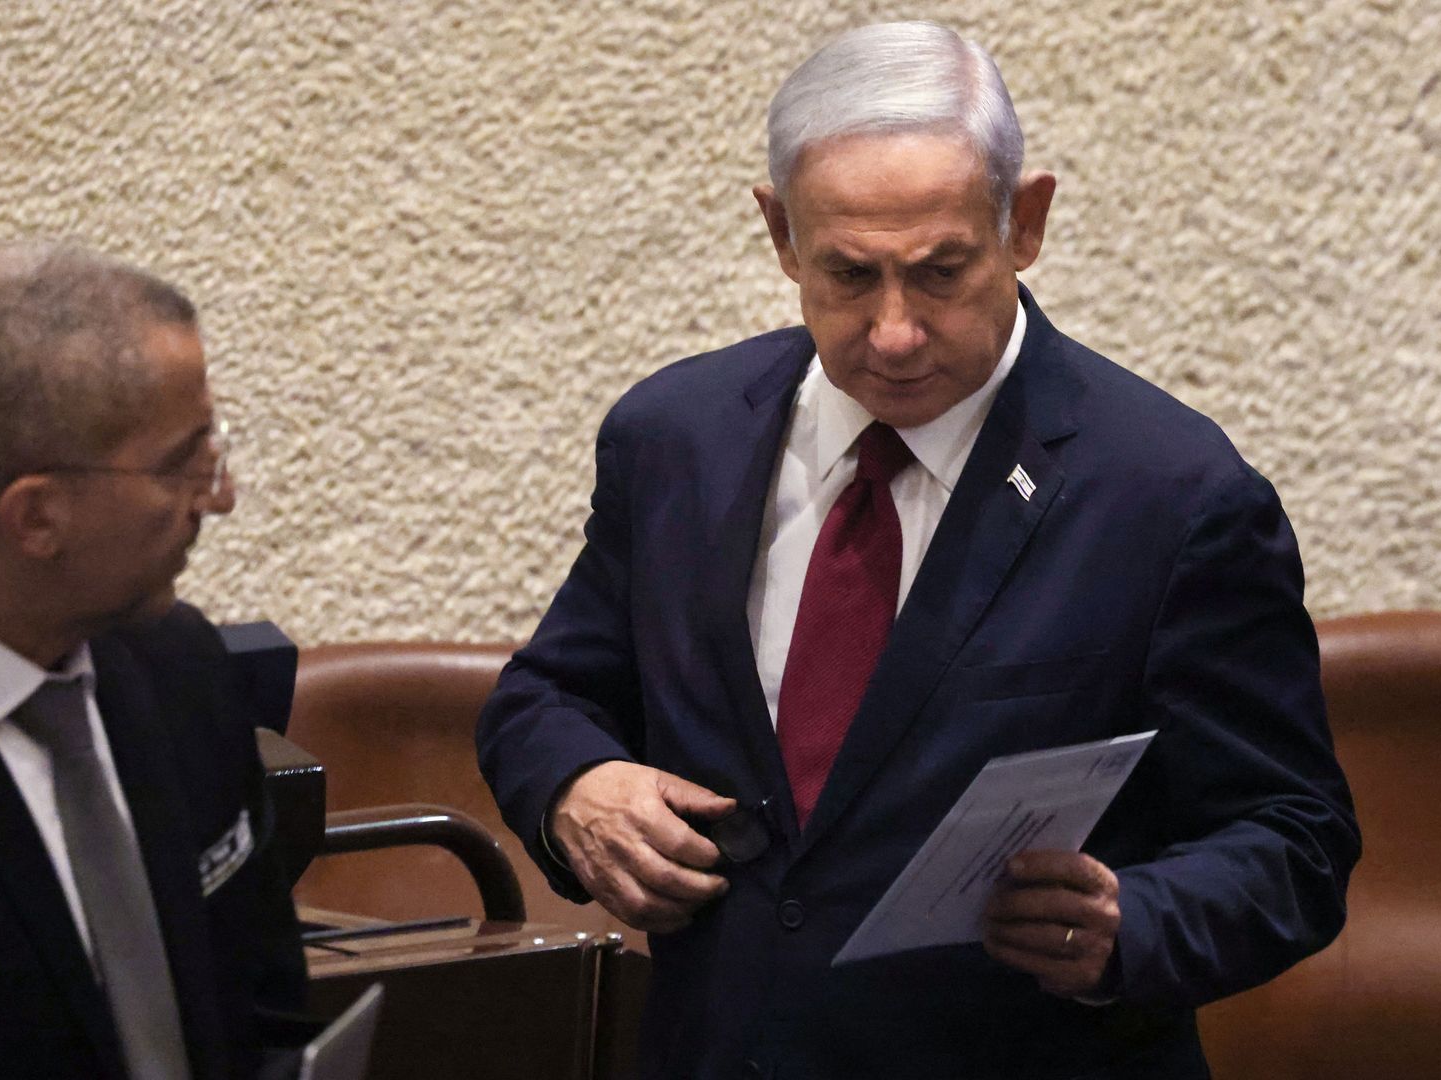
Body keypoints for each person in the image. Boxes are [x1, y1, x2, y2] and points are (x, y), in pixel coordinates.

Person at [479, 21, 1359, 1079]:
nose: (894, 333)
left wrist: (1135, 924)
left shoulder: (1171, 494)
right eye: (850, 275)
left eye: (941, 272)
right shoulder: (676, 439)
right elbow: (546, 696)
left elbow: (1294, 838)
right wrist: (575, 788)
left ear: (1024, 223)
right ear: (781, 234)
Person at [0, 242, 310, 1079]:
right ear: (37, 517)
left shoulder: (183, 669)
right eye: (182, 463)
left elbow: (265, 1013)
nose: (220, 495)